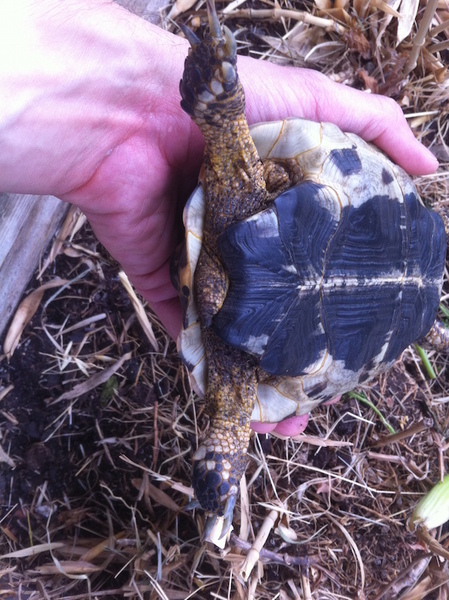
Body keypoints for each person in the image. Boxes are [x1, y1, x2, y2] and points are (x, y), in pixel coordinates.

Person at [1, 0, 438, 435]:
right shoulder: (241, 194)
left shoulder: (240, 193)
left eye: (213, 298)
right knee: (224, 117)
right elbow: (227, 127)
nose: (208, 297)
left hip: (258, 255)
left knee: (229, 423)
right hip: (246, 289)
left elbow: (233, 414)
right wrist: (200, 101)